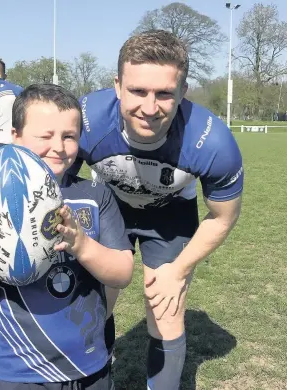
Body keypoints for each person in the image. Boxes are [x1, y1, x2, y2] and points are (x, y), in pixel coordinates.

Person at [69, 30, 244, 390]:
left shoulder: (212, 142)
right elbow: (57, 185)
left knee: (166, 309)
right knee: (92, 304)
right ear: (117, 85)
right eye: (137, 91)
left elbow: (224, 216)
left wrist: (178, 271)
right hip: (109, 206)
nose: (150, 108)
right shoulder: (85, 121)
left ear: (183, 91)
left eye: (164, 93)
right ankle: (93, 378)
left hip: (169, 215)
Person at [0, 83, 134, 390]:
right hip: (16, 373)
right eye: (45, 136)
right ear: (15, 136)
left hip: (89, 367)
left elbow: (122, 273)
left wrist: (82, 245)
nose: (59, 147)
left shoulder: (94, 195)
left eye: (69, 136)